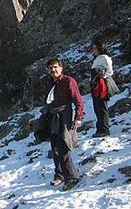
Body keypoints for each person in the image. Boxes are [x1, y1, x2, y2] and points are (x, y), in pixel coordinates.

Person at [43, 58, 84, 191]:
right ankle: (59, 174)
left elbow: (78, 100)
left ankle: (71, 177)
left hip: (64, 116)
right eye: (50, 68)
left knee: (63, 146)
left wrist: (78, 117)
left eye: (55, 67)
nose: (53, 70)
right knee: (54, 146)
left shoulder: (68, 81)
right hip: (52, 116)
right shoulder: (50, 83)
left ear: (61, 68)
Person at [90, 41, 113, 138]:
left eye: (95, 48)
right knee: (97, 108)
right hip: (96, 85)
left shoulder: (104, 58)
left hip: (101, 86)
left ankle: (104, 129)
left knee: (102, 108)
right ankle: (100, 128)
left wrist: (101, 77)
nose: (94, 50)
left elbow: (110, 71)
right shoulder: (97, 59)